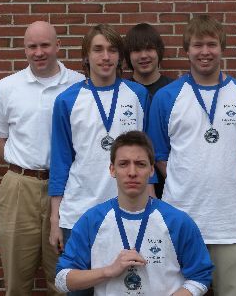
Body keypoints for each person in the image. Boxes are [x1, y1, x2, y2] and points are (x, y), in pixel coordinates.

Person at [148, 15, 236, 296]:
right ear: (187, 50)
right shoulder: (167, 97)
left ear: (222, 48)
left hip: (231, 225)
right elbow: (159, 157)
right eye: (198, 45)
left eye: (212, 44)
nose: (205, 52)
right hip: (181, 222)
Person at [48, 24, 153, 295]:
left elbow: (147, 157)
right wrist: (54, 220)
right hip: (79, 214)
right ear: (86, 56)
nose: (105, 57)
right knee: (80, 289)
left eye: (112, 50)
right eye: (98, 50)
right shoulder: (67, 100)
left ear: (120, 57)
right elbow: (61, 162)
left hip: (127, 211)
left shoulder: (138, 95)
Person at [0, 21, 85, 295]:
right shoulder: (8, 87)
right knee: (17, 278)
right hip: (20, 187)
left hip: (67, 189)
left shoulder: (78, 84)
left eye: (45, 45)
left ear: (58, 46)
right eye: (32, 46)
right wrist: (21, 161)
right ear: (25, 49)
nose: (39, 52)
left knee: (63, 278)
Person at [55, 131, 214, 295]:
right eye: (123, 164)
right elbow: (62, 279)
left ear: (151, 170)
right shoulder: (92, 220)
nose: (132, 172)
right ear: (112, 169)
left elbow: (200, 276)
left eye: (140, 164)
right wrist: (108, 271)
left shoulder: (177, 221)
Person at [124, 22, 173, 198]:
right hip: (132, 181)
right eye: (137, 50)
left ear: (158, 52)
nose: (144, 56)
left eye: (150, 49)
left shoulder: (175, 91)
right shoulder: (122, 92)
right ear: (128, 56)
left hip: (171, 182)